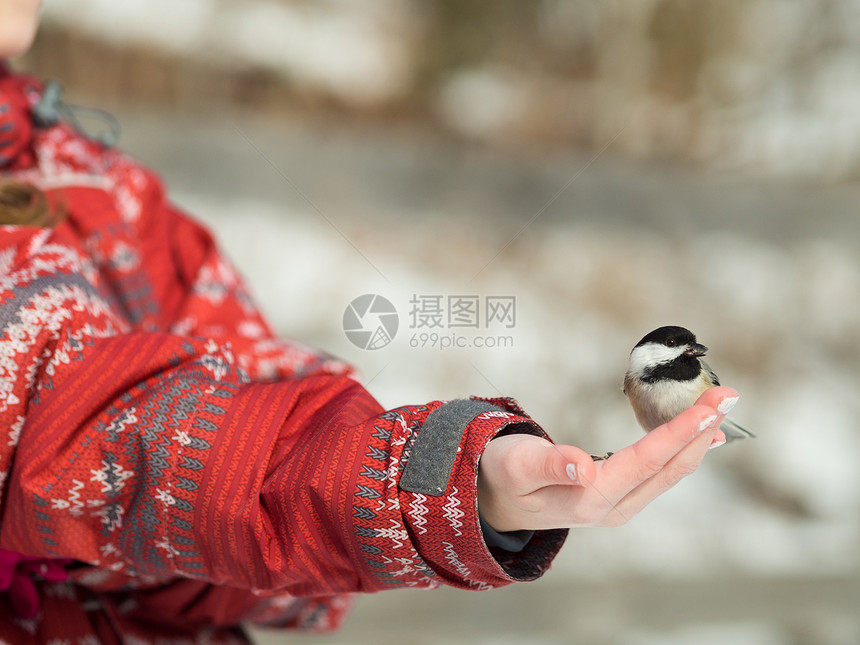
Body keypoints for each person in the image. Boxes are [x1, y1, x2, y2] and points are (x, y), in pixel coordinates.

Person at [0, 3, 734, 643]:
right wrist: (419, 483)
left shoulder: (106, 187)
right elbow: (80, 420)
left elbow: (251, 430)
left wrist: (465, 488)